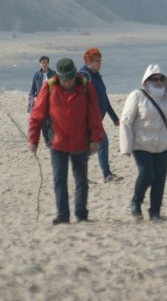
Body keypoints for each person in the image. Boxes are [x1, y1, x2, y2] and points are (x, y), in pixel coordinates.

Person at [28, 58, 104, 224]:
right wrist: (33, 139)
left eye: (70, 80)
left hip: (80, 142)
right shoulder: (48, 86)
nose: (68, 83)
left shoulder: (85, 86)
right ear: (59, 77)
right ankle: (63, 215)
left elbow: (94, 115)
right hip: (57, 143)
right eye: (64, 80)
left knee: (81, 181)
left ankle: (81, 214)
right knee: (59, 180)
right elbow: (37, 115)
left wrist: (95, 139)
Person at [120, 64, 167, 222]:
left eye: (160, 79)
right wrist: (125, 147)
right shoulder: (137, 95)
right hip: (141, 145)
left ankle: (155, 212)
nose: (157, 82)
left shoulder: (166, 96)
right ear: (146, 80)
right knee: (147, 173)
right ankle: (136, 202)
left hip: (162, 145)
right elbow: (126, 121)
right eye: (154, 79)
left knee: (159, 179)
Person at [79, 47, 123, 183]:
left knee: (90, 147)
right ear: (89, 61)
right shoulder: (84, 75)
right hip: (88, 119)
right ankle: (106, 174)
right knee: (102, 142)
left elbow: (104, 98)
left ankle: (84, 177)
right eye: (97, 61)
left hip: (97, 119)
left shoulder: (96, 75)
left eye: (100, 60)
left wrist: (114, 117)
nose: (100, 63)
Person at [28, 56, 56, 145]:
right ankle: (46, 138)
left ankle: (51, 137)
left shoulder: (53, 74)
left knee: (51, 120)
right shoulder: (37, 74)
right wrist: (31, 96)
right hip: (40, 101)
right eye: (42, 62)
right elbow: (33, 88)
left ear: (48, 63)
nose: (44, 64)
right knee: (43, 120)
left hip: (51, 101)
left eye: (46, 62)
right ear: (40, 64)